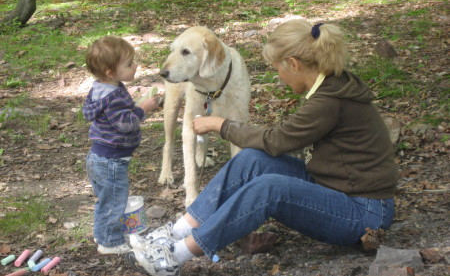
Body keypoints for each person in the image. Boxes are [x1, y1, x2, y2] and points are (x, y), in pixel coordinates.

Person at [125, 19, 398, 276]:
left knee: (269, 188)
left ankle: (175, 256)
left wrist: (222, 125)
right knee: (253, 159)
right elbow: (269, 145)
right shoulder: (334, 85)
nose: (279, 77)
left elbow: (277, 141)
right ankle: (177, 231)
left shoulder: (329, 101)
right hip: (335, 187)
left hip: (365, 212)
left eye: (277, 68)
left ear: (293, 64)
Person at [83, 36, 160, 255]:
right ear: (110, 72)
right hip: (111, 162)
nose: (135, 66)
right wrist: (142, 108)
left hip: (99, 158)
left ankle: (103, 235)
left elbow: (114, 117)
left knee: (106, 201)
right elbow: (125, 124)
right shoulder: (113, 96)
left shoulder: (101, 89)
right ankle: (110, 243)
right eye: (129, 64)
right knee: (115, 202)